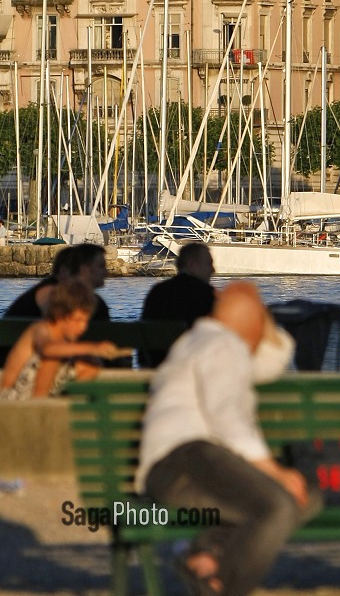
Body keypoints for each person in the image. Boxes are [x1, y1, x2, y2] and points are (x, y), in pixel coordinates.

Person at [137, 281, 313, 596]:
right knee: (281, 506)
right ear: (252, 332)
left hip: (182, 473)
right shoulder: (222, 346)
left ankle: (203, 557)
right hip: (186, 464)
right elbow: (227, 416)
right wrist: (274, 470)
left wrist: (255, 309)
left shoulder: (200, 341)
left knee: (305, 500)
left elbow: (271, 361)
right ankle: (223, 586)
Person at [0, 281, 128, 399]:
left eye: (85, 321)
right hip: (11, 397)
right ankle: (40, 406)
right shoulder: (41, 329)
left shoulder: (64, 339)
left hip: (36, 393)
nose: (83, 327)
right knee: (52, 358)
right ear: (60, 315)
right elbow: (47, 349)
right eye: (78, 320)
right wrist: (93, 347)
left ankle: (64, 403)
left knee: (90, 363)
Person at [139, 242, 215, 367]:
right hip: (193, 367)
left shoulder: (157, 292)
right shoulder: (207, 295)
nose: (213, 270)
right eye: (209, 264)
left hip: (156, 366)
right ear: (192, 265)